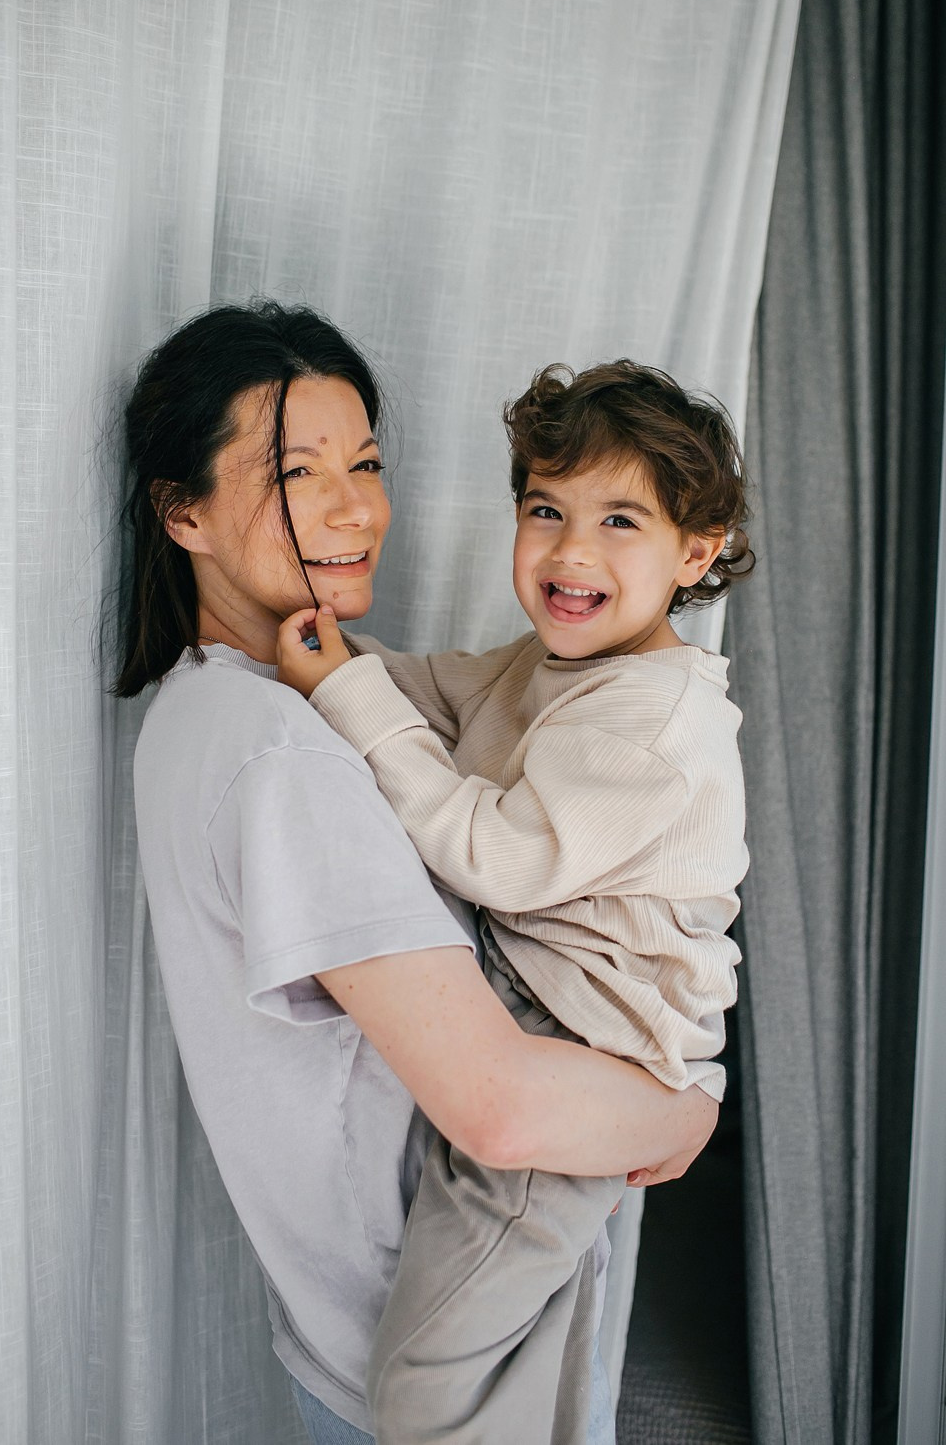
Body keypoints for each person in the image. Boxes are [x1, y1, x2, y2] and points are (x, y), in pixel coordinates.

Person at [116, 300, 720, 1445]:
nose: (355, 508)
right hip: (435, 1365)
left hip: (389, 1332)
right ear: (183, 512)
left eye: (367, 463)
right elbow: (499, 1110)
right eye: (297, 473)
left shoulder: (220, 711)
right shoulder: (280, 751)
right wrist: (685, 1110)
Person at [277, 358, 754, 1444]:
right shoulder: (552, 664)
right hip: (543, 1019)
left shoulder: (652, 723)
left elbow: (496, 857)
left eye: (620, 521)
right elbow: (433, 694)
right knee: (521, 1354)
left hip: (585, 1053)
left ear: (696, 552)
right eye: (546, 510)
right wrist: (316, 659)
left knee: (426, 1380)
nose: (571, 551)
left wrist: (341, 688)